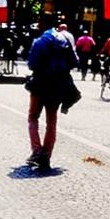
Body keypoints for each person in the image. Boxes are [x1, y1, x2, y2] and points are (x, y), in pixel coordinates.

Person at [25, 20, 80, 171]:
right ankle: (46, 156)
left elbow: (31, 64)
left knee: (33, 117)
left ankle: (36, 151)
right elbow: (75, 62)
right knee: (52, 122)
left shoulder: (39, 41)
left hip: (40, 84)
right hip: (58, 86)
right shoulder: (66, 40)